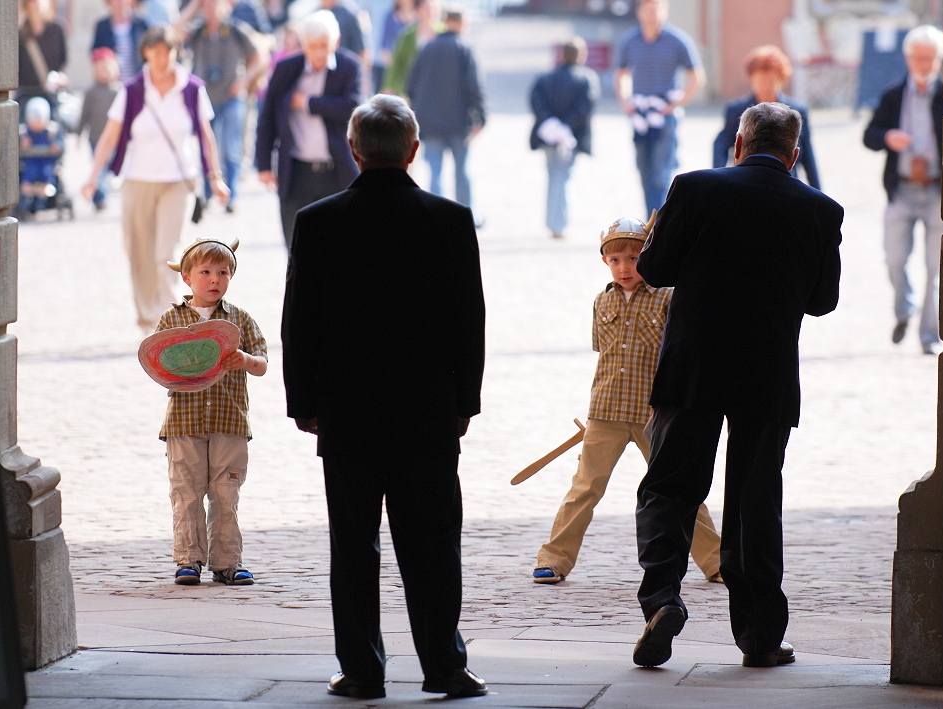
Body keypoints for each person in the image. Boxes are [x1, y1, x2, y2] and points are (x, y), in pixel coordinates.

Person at [281, 93, 487, 699]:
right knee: (432, 542)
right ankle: (445, 666)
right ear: (414, 150)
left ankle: (363, 671)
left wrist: (304, 402)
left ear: (352, 149)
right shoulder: (449, 220)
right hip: (426, 410)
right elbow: (468, 320)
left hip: (347, 411)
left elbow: (300, 320)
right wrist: (463, 404)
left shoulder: (317, 222)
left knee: (353, 548)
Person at [632, 102, 842, 669]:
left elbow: (653, 270)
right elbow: (823, 302)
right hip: (767, 374)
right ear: (794, 155)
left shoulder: (694, 188)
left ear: (738, 144)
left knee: (670, 488)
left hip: (693, 367)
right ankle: (760, 636)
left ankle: (662, 599)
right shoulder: (821, 209)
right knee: (754, 502)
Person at [532, 214, 722, 586]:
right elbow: (603, 353)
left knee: (679, 490)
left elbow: (681, 353)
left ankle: (717, 561)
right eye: (615, 260)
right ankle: (553, 559)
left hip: (656, 413)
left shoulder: (668, 298)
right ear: (605, 261)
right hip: (606, 411)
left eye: (633, 259)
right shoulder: (601, 302)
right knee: (584, 488)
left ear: (648, 257)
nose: (624, 268)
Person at [80, 24, 229, 333]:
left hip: (178, 181)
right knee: (140, 254)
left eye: (168, 52)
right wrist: (93, 176)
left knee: (168, 254)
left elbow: (206, 136)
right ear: (146, 53)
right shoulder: (133, 90)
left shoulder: (192, 89)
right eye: (155, 52)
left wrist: (215, 177)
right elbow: (110, 136)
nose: (162, 59)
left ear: (177, 53)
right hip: (138, 181)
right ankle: (148, 318)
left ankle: (171, 320)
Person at [156, 238, 268, 586]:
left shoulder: (240, 320)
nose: (214, 279)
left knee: (226, 493)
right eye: (205, 272)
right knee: (186, 491)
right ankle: (188, 560)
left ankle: (227, 562)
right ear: (187, 278)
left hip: (229, 421)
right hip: (184, 422)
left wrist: (245, 360)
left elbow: (263, 363)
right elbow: (157, 364)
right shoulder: (172, 319)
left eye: (222, 272)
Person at [863, 25, 943, 355]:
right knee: (894, 260)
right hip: (901, 191)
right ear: (907, 58)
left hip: (938, 193)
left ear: (939, 60)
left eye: (929, 58)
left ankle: (929, 335)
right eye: (917, 57)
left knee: (936, 269)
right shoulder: (893, 95)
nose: (923, 64)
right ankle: (904, 309)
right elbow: (869, 135)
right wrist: (888, 138)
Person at [255, 10, 361, 247]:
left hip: (337, 170)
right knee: (297, 245)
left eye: (325, 45)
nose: (319, 52)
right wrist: (263, 164)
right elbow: (268, 116)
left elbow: (354, 107)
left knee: (339, 245)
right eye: (313, 46)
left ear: (336, 42)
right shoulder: (286, 69)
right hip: (296, 172)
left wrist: (308, 103)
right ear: (303, 45)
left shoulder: (349, 67)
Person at [614, 0, 705, 214]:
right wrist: (625, 101)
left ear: (665, 11)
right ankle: (651, 221)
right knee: (644, 170)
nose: (652, 14)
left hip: (665, 115)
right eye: (648, 9)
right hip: (639, 115)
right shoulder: (630, 41)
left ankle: (660, 225)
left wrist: (675, 103)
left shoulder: (677, 40)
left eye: (657, 9)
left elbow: (697, 77)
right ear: (639, 12)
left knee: (661, 172)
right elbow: (621, 74)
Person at [180, 0, 262, 213]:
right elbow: (175, 32)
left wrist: (245, 79)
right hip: (205, 99)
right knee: (206, 147)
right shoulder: (198, 32)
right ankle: (207, 193)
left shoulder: (236, 30)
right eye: (206, 5)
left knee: (230, 147)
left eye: (215, 3)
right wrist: (193, 7)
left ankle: (231, 196)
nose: (211, 8)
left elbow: (260, 57)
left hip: (231, 97)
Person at [405, 6, 484, 212]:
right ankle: (466, 215)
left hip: (430, 123)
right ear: (460, 23)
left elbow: (410, 85)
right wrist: (481, 118)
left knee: (435, 171)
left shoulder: (428, 47)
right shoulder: (465, 48)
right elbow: (474, 86)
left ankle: (436, 216)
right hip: (459, 122)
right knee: (462, 171)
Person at [712, 45, 820, 190]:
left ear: (781, 79)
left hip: (785, 184)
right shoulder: (736, 110)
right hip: (745, 182)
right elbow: (721, 144)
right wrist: (718, 178)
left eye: (771, 80)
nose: (766, 85)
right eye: (761, 79)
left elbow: (807, 153)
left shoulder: (797, 112)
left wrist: (818, 192)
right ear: (751, 79)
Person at [529, 36, 599, 240]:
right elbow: (585, 106)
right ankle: (559, 224)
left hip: (549, 135)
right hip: (571, 137)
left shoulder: (545, 77)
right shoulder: (586, 78)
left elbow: (536, 101)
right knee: (564, 177)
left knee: (553, 177)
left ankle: (552, 222)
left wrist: (552, 123)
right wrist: (566, 126)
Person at [78, 47, 121, 212]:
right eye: (99, 68)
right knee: (99, 166)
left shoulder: (118, 91)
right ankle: (100, 198)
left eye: (106, 67)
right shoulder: (91, 92)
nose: (103, 72)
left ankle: (102, 191)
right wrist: (78, 133)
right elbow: (84, 115)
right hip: (95, 137)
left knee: (108, 167)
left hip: (114, 138)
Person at [381, 0, 440, 98]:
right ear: (419, 9)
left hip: (435, 88)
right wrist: (389, 86)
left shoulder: (443, 35)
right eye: (427, 7)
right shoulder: (407, 35)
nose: (431, 11)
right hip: (410, 88)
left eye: (434, 8)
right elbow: (397, 63)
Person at [17, 96, 64, 217]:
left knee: (47, 173)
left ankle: (43, 198)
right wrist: (22, 144)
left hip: (47, 163)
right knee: (28, 173)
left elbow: (62, 144)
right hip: (30, 163)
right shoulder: (23, 132)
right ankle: (24, 201)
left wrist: (57, 146)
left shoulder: (52, 131)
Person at [17, 0, 68, 109]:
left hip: (51, 94)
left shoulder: (57, 29)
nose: (37, 4)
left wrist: (60, 77)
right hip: (26, 94)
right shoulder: (20, 33)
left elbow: (63, 60)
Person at [92, 0, 150, 84]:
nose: (120, 2)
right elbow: (95, 52)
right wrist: (108, 58)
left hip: (137, 82)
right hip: (112, 83)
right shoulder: (102, 26)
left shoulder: (141, 25)